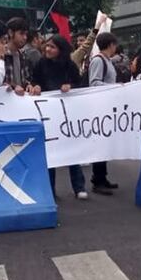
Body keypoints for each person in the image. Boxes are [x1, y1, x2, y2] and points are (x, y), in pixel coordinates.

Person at [32, 35, 88, 200]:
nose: (48, 49)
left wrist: (70, 86)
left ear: (60, 50)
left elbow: (80, 84)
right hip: (46, 112)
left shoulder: (69, 65)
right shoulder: (41, 63)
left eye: (52, 47)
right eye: (47, 46)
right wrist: (36, 86)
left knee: (71, 149)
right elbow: (35, 81)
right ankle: (50, 189)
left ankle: (79, 187)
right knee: (50, 152)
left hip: (66, 113)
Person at [88, 32, 120, 195]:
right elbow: (94, 83)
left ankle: (102, 177)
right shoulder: (98, 60)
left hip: (107, 106)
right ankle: (97, 179)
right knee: (100, 143)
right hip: (100, 107)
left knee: (105, 143)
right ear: (111, 45)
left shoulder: (107, 60)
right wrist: (114, 87)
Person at [4, 17, 35, 95]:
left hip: (22, 99)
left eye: (26, 34)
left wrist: (29, 85)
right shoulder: (0, 56)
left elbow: (27, 78)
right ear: (11, 33)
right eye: (21, 33)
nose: (25, 37)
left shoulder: (23, 55)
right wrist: (14, 87)